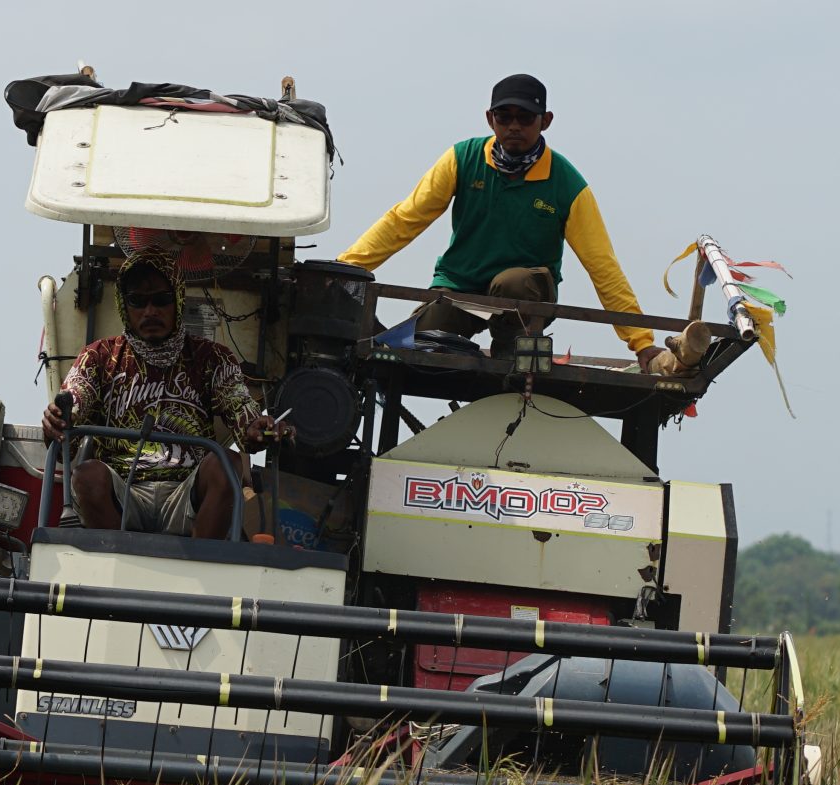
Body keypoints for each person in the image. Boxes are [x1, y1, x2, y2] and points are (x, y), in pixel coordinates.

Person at [336, 74, 656, 367]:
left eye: (525, 117)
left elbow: (603, 267)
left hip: (523, 297)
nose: (514, 126)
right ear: (491, 119)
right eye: (505, 117)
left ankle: (511, 354)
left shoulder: (567, 184)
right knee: (414, 349)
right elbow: (404, 221)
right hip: (461, 286)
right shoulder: (462, 160)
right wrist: (344, 268)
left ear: (545, 121)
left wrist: (641, 343)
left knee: (512, 282)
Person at [43, 253, 280, 538]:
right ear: (123, 304)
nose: (150, 311)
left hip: (186, 493)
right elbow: (74, 399)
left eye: (161, 300)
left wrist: (256, 427)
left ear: (178, 299)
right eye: (138, 301)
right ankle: (116, 562)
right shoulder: (98, 356)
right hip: (123, 490)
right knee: (87, 475)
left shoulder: (212, 357)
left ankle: (201, 567)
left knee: (227, 463)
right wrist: (59, 419)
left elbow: (240, 406)